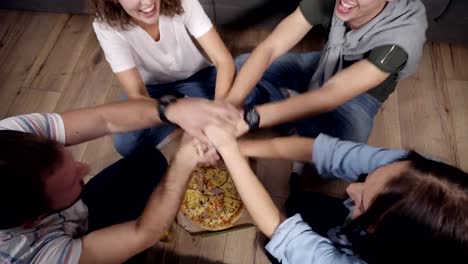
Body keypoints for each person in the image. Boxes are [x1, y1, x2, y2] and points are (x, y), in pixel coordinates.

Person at [203, 125, 468, 264]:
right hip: (350, 231)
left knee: (277, 251)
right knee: (302, 203)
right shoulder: (419, 175)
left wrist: (230, 152)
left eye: (363, 204)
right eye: (373, 175)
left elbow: (280, 230)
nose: (350, 189)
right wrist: (241, 147)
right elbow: (329, 152)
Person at [0, 98, 218, 263]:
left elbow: (103, 118)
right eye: (71, 181)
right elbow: (143, 233)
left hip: (72, 219)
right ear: (32, 220)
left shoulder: (13, 140)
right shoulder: (31, 255)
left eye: (68, 155)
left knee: (149, 161)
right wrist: (183, 162)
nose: (86, 168)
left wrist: (171, 110)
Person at [226, 0, 428, 143]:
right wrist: (228, 108)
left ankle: (285, 106)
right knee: (242, 66)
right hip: (326, 62)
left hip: (362, 94)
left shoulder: (401, 37)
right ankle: (287, 106)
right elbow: (269, 49)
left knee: (343, 148)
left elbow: (330, 94)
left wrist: (249, 119)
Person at [90, 0, 238, 155]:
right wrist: (180, 115)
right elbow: (137, 93)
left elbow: (223, 60)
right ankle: (185, 117)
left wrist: (217, 112)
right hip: (150, 89)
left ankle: (189, 114)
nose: (147, 2)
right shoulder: (104, 25)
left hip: (196, 75)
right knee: (126, 143)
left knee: (244, 78)